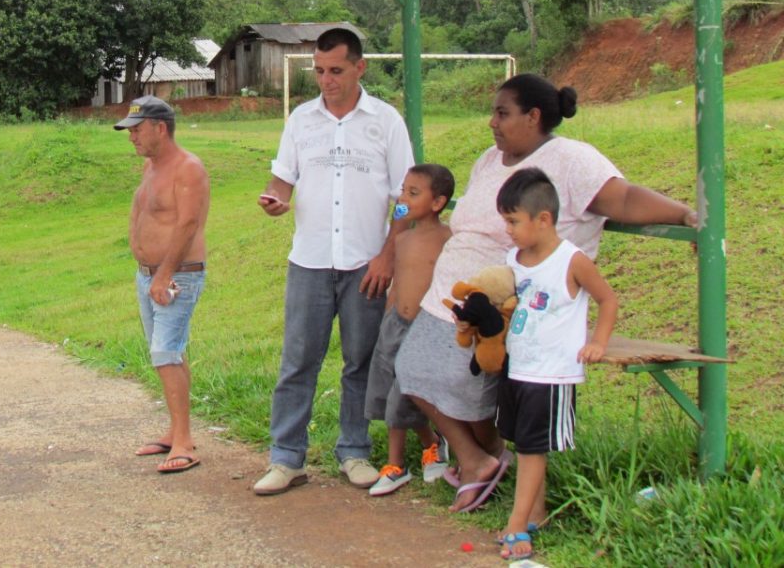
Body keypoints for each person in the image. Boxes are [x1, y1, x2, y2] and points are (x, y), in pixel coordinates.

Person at [393, 73, 696, 514]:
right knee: (412, 370)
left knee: (469, 387)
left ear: (533, 117)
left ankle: (490, 466)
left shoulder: (572, 159)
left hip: (505, 305)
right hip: (450, 293)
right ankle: (482, 460)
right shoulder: (488, 160)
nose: (492, 122)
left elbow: (625, 200)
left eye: (502, 113)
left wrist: (684, 213)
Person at [254, 27, 415, 495]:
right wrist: (274, 200)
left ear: (360, 68)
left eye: (336, 71)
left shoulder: (385, 122)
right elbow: (281, 181)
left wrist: (388, 253)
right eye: (320, 71)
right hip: (309, 260)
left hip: (367, 262)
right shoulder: (301, 121)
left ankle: (355, 450)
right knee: (298, 361)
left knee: (360, 360)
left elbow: (405, 197)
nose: (326, 80)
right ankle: (286, 458)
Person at [494, 167, 617, 561]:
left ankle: (516, 525)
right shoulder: (512, 258)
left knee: (533, 449)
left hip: (551, 372)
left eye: (513, 221)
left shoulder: (572, 261)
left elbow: (608, 300)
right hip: (517, 366)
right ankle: (536, 513)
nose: (508, 230)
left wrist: (597, 342)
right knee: (521, 441)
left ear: (543, 219)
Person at [116, 95, 211, 475]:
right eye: (129, 131)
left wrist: (164, 273)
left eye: (137, 130)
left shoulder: (188, 169)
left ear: (160, 128)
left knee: (165, 353)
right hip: (150, 274)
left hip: (177, 275)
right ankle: (175, 432)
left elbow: (188, 224)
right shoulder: (151, 167)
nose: (131, 137)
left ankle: (186, 442)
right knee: (169, 351)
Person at [363, 163, 454, 496]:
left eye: (413, 193)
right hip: (395, 326)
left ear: (437, 203)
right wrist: (387, 322)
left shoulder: (447, 239)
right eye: (403, 190)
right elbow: (399, 283)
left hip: (425, 328)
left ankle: (427, 449)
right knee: (389, 392)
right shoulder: (402, 238)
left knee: (410, 393)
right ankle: (399, 463)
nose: (403, 197)